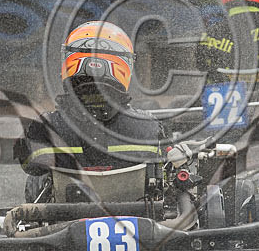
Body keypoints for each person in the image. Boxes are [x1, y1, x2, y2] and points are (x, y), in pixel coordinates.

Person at [15, 21, 165, 200]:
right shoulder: (147, 126)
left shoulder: (47, 126)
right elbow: (163, 168)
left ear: (70, 62)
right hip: (137, 219)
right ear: (123, 65)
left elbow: (30, 166)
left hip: (64, 218)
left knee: (39, 178)